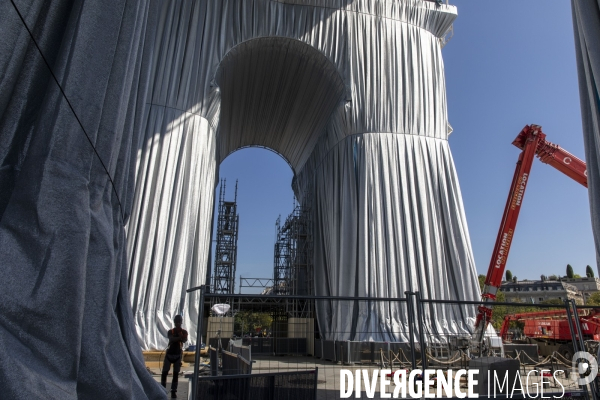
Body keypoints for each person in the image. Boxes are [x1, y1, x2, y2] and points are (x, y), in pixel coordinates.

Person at [161, 315, 188, 398]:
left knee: (176, 374)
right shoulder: (171, 331)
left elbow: (184, 340)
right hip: (169, 354)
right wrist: (179, 337)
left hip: (177, 355)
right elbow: (171, 339)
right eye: (176, 322)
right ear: (174, 322)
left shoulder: (184, 332)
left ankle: (173, 391)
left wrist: (179, 337)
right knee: (164, 372)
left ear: (181, 322)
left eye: (179, 322)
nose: (178, 323)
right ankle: (162, 389)